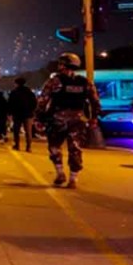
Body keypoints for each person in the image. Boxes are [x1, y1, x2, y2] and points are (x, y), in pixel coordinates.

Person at [37, 52, 101, 189]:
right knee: (75, 148)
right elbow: (95, 101)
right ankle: (73, 178)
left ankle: (60, 172)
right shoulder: (85, 82)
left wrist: (39, 118)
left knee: (54, 146)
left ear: (62, 65)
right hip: (78, 119)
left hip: (58, 119)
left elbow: (42, 101)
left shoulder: (54, 81)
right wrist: (94, 117)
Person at [7, 76, 38, 151]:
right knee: (28, 131)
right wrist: (32, 110)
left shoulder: (14, 92)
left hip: (17, 114)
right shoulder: (30, 92)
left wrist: (10, 113)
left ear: (16, 83)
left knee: (16, 131)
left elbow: (10, 103)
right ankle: (28, 147)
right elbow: (34, 102)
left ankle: (17, 145)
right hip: (28, 114)